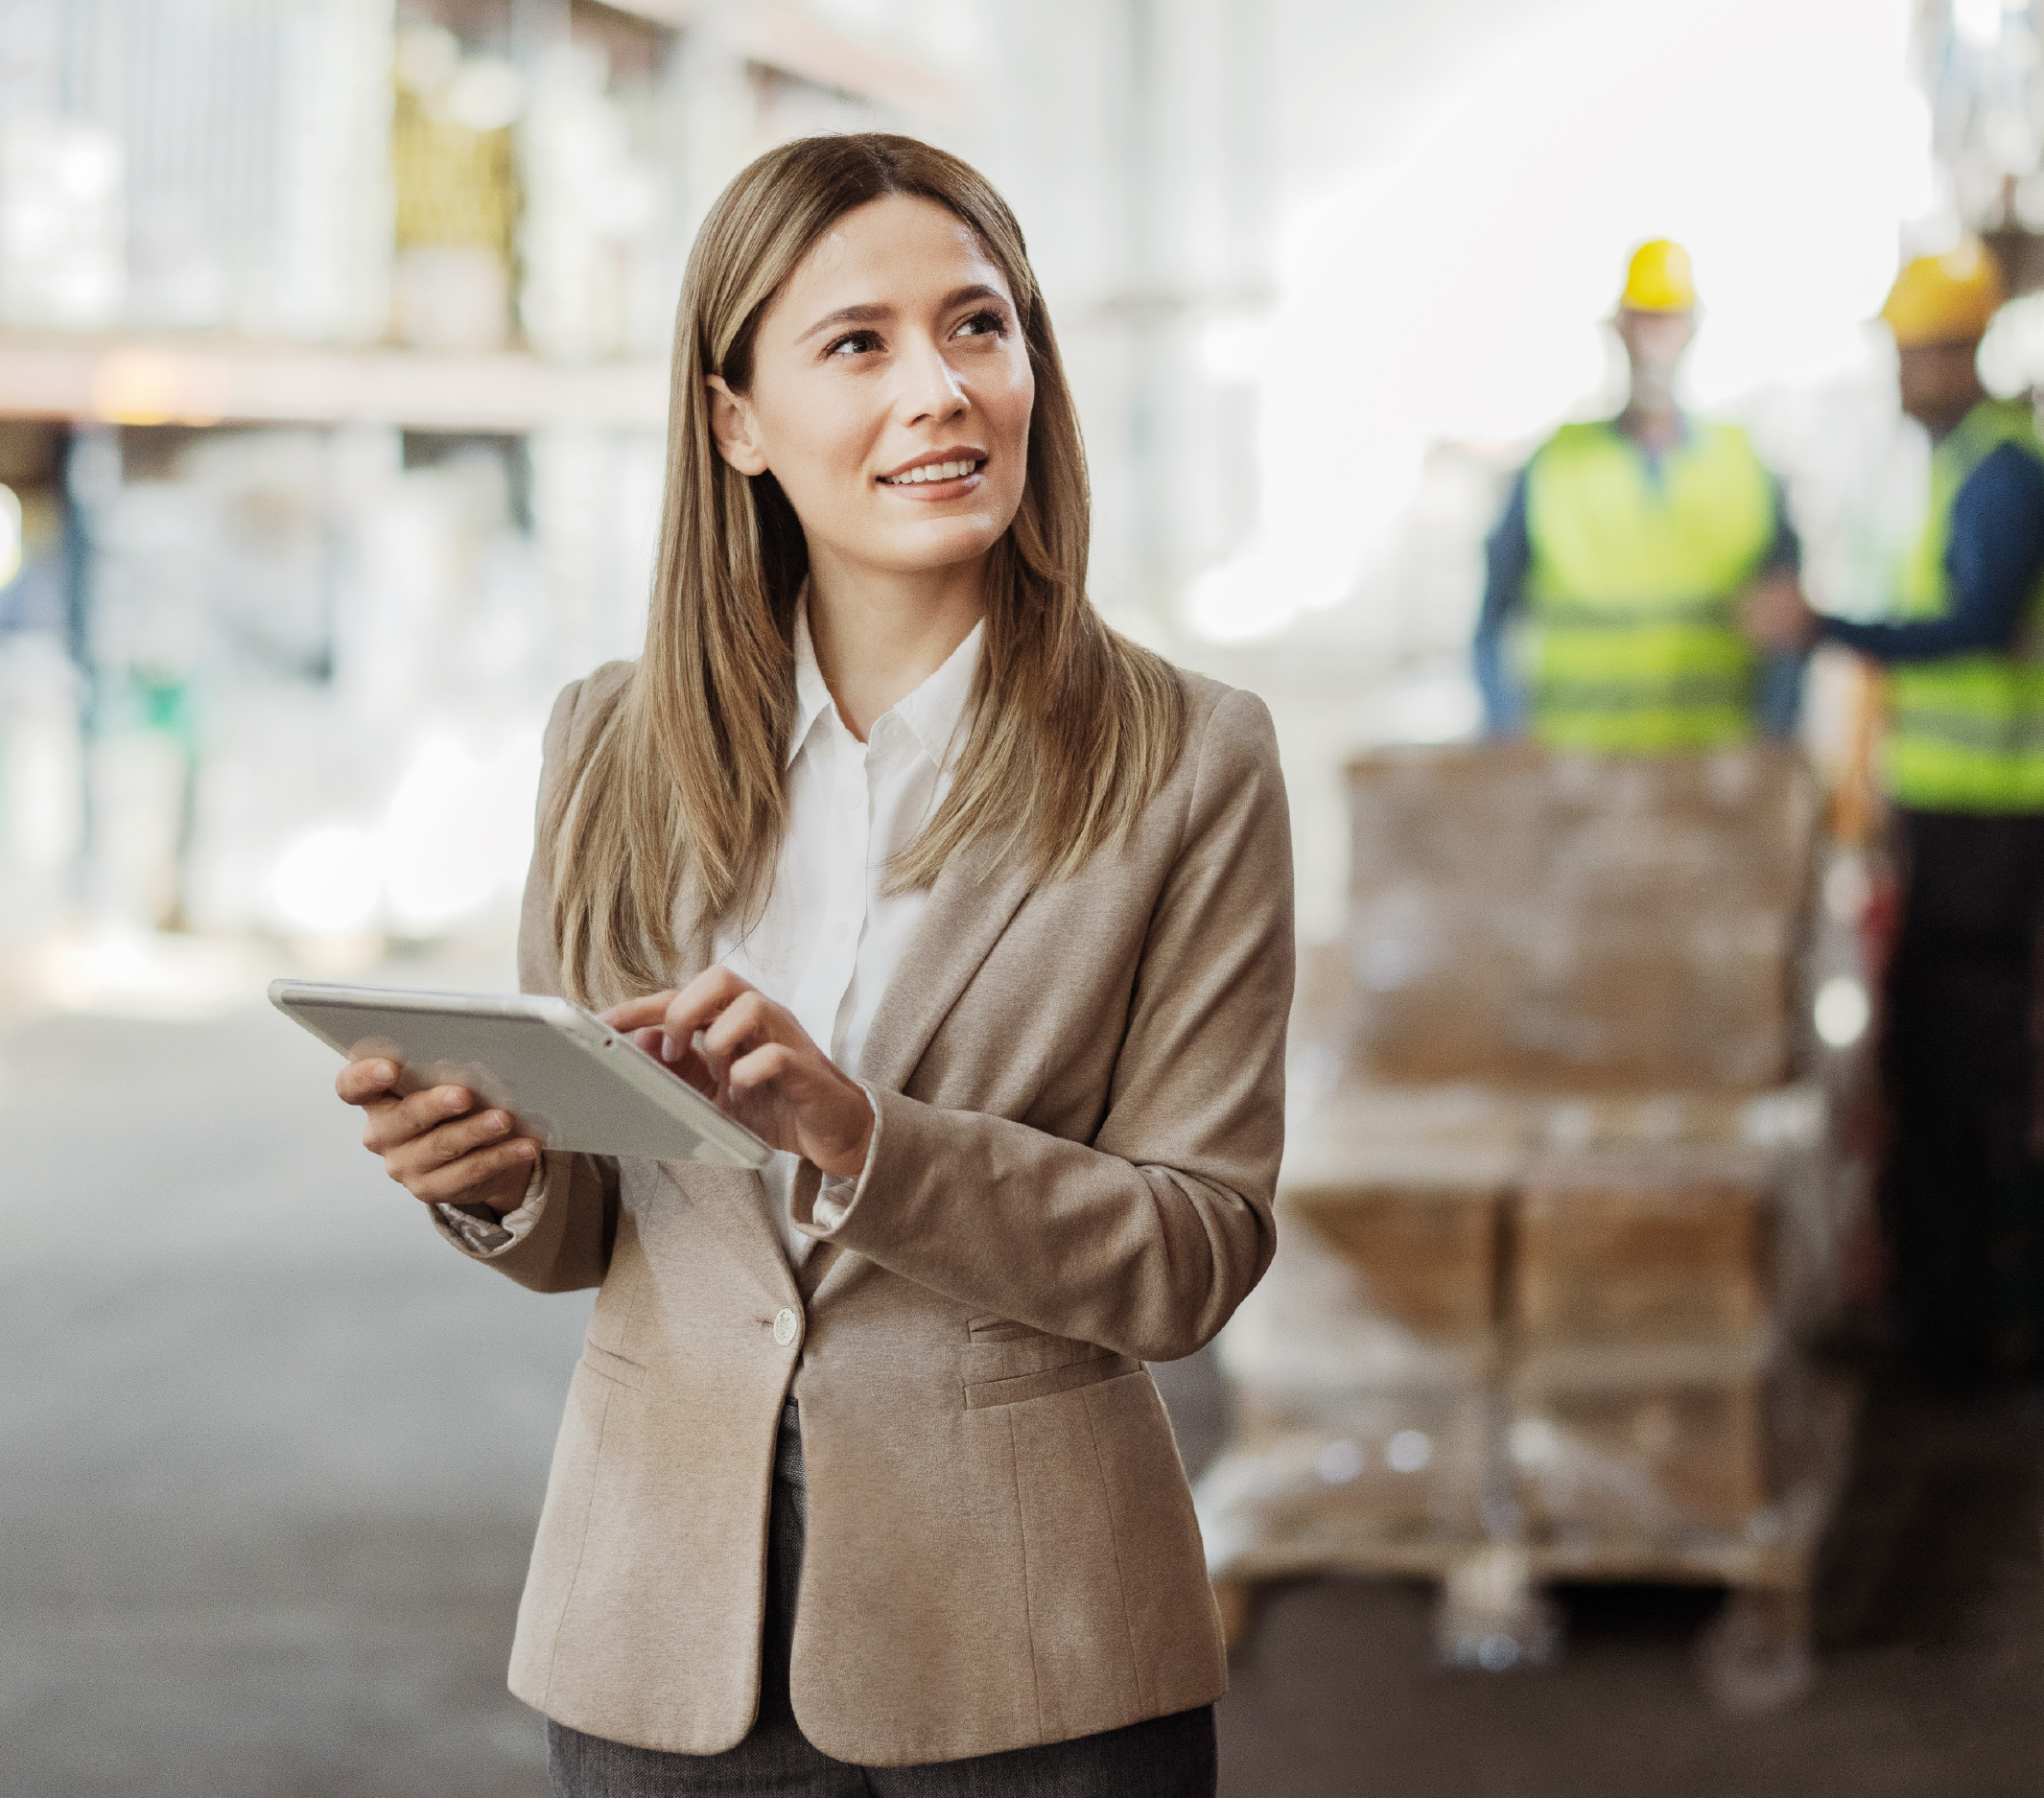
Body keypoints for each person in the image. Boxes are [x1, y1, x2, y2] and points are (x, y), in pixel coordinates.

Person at [327, 134, 1291, 1793]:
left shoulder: (1183, 760)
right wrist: (483, 1175)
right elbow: (586, 1233)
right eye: (857, 344)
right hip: (655, 1635)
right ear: (734, 422)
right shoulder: (610, 745)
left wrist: (865, 1140)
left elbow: (1190, 1255)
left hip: (1033, 1654)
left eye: (978, 328)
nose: (939, 390)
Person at [1742, 243, 2044, 1378]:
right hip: (1956, 821)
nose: (1902, 380)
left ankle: (2029, 1325)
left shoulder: (2008, 475)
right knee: (1934, 1066)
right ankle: (1948, 1314)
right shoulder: (1964, 470)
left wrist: (1826, 629)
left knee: (2001, 1078)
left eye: (1915, 358)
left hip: (2009, 825)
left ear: (1962, 357)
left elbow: (1978, 627)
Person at [1475, 239, 1808, 750]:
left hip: (1712, 775)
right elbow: (1491, 623)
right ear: (1618, 330)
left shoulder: (1746, 465)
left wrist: (1774, 740)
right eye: (1642, 320)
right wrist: (1507, 734)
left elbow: (1788, 626)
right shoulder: (1554, 467)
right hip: (1579, 775)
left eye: (1668, 320)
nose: (1654, 340)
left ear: (1692, 328)